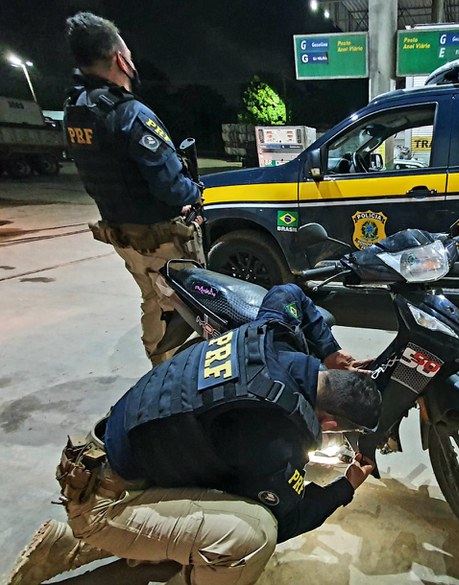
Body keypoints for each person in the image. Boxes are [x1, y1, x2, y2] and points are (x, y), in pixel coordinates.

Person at [8, 283, 381, 585]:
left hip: (96, 455)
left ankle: (63, 547)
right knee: (253, 534)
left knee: (226, 492)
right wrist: (345, 486)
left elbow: (288, 291)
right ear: (331, 424)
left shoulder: (273, 334)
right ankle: (105, 537)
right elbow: (291, 516)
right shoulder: (274, 436)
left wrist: (330, 350)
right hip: (102, 499)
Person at [63, 12, 205, 365]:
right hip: (159, 239)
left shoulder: (77, 112)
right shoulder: (131, 115)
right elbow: (172, 187)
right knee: (185, 306)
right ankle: (177, 379)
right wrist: (193, 193)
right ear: (119, 59)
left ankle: (159, 369)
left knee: (153, 300)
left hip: (123, 237)